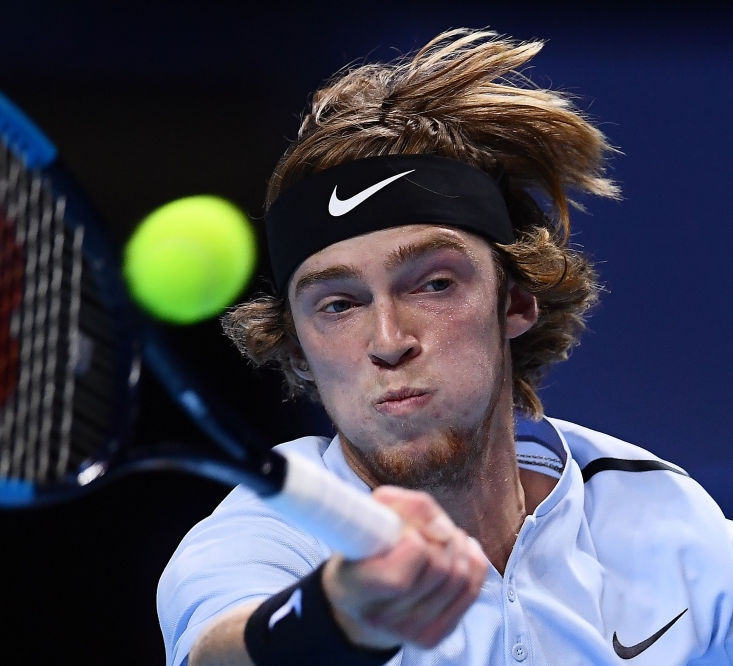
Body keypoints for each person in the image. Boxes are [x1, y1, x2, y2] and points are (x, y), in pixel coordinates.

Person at [156, 29, 733, 666]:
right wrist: (337, 616)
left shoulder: (667, 523)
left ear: (514, 301)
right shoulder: (262, 537)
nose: (388, 341)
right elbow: (221, 652)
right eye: (339, 305)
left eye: (433, 283)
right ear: (299, 354)